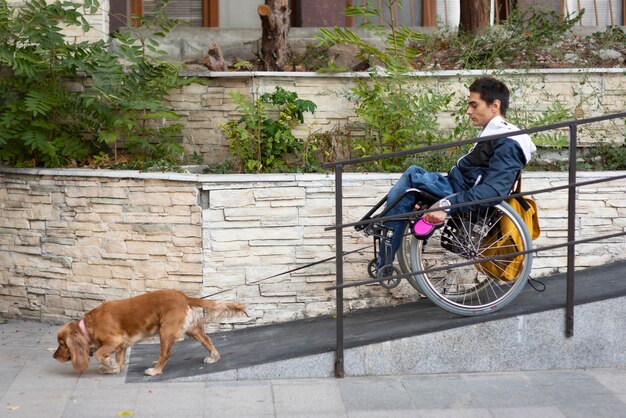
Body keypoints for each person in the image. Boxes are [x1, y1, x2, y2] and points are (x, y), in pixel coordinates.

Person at [377, 76, 536, 272]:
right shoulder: (497, 135)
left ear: (495, 105)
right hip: (456, 185)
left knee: (413, 176)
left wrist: (447, 204)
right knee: (415, 177)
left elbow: (494, 190)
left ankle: (385, 246)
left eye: (473, 105)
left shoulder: (509, 141)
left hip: (460, 193)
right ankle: (391, 231)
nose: (468, 111)